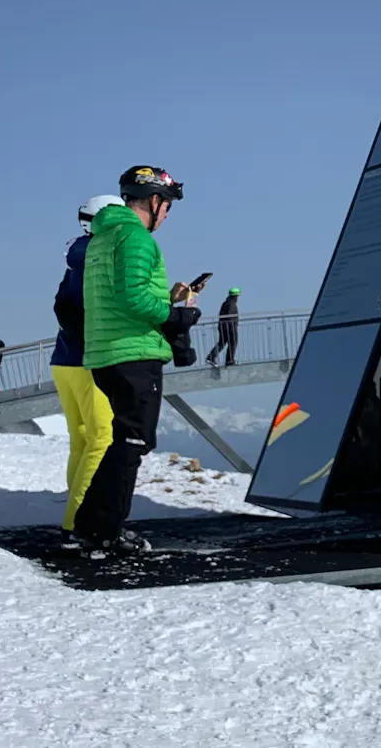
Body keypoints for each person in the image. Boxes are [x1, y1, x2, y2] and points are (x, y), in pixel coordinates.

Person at [73, 166, 198, 554]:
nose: (167, 215)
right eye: (168, 207)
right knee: (132, 441)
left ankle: (92, 525)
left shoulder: (104, 236)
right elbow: (134, 298)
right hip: (134, 352)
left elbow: (119, 294)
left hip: (107, 352)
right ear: (154, 201)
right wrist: (176, 316)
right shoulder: (136, 238)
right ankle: (103, 531)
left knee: (123, 441)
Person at [51, 194, 123, 542]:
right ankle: (79, 523)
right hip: (89, 360)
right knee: (102, 439)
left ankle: (73, 517)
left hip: (63, 358)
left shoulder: (76, 255)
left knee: (81, 441)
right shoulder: (101, 258)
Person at [205, 287, 241, 367]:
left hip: (222, 326)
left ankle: (211, 357)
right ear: (236, 296)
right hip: (230, 327)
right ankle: (229, 360)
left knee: (222, 342)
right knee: (233, 342)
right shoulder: (232, 304)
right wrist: (233, 327)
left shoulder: (226, 303)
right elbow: (230, 316)